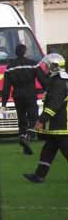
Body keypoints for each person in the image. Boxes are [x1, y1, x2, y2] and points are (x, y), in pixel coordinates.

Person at [23, 53, 68, 183]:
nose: (45, 69)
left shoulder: (59, 83)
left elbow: (54, 105)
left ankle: (39, 176)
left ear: (54, 67)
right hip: (57, 125)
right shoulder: (58, 81)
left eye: (47, 66)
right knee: (48, 151)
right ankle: (39, 176)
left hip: (62, 125)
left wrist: (41, 120)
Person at [1, 44, 42, 155]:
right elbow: (42, 79)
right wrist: (48, 90)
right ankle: (27, 137)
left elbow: (6, 87)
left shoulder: (10, 67)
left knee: (21, 118)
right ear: (25, 52)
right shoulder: (33, 64)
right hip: (30, 94)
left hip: (17, 96)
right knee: (33, 117)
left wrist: (3, 103)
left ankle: (22, 139)